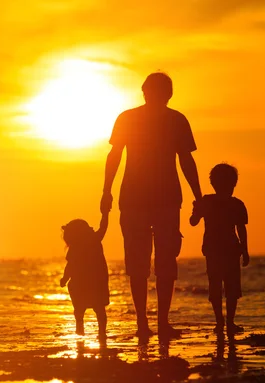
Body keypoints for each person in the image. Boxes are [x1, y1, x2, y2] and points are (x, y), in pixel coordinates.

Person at [100, 72, 203, 339]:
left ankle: (153, 324)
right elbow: (115, 156)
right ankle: (149, 324)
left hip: (157, 200)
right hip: (143, 200)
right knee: (147, 263)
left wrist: (198, 195)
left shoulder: (173, 120)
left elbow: (185, 160)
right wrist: (106, 191)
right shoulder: (135, 118)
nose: (152, 95)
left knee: (152, 262)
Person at [190, 163, 249, 335]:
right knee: (226, 287)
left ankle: (223, 322)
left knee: (222, 286)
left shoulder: (211, 202)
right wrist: (245, 250)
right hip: (222, 249)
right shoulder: (231, 204)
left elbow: (241, 228)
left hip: (221, 249)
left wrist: (244, 250)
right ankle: (225, 322)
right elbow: (241, 229)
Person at [60, 211, 110, 340]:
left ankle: (81, 329)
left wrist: (65, 278)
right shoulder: (92, 240)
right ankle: (100, 332)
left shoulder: (78, 246)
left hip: (85, 283)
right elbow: (103, 227)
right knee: (98, 310)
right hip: (94, 282)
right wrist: (105, 214)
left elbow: (69, 266)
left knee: (80, 310)